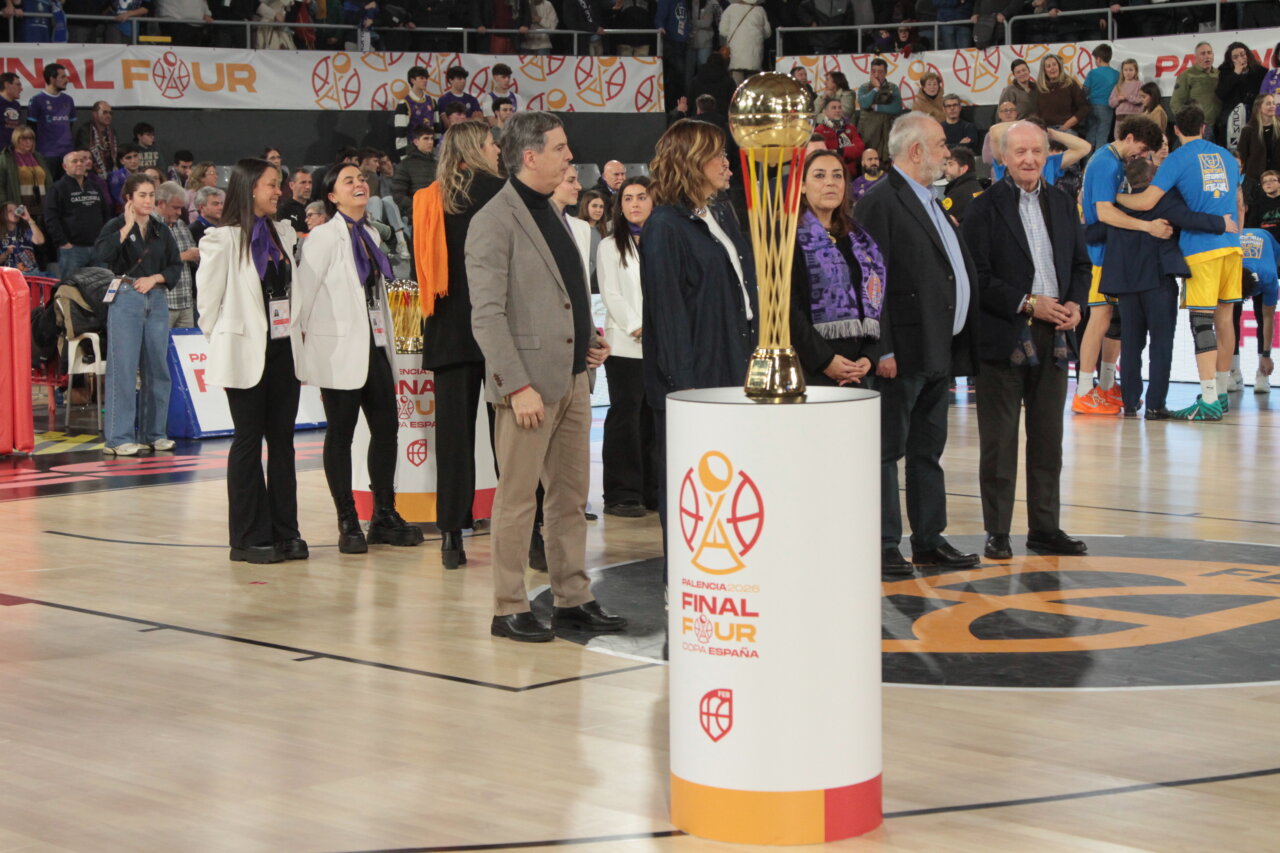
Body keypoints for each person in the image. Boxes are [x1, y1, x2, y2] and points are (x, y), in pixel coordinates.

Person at [465, 111, 622, 642]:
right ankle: (508, 605)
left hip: (574, 376)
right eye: (559, 149)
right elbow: (486, 314)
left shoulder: (555, 212)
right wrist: (516, 385)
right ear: (529, 156)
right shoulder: (494, 219)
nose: (568, 158)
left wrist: (589, 338)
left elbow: (559, 293)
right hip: (527, 387)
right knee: (517, 501)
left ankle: (572, 596)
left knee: (569, 498)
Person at [855, 113, 980, 579]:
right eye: (942, 144)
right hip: (901, 352)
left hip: (936, 348)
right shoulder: (880, 202)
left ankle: (929, 539)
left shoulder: (929, 199)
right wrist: (882, 348)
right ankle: (885, 544)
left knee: (928, 449)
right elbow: (871, 280)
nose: (948, 152)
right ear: (915, 151)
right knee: (888, 450)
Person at [962, 121, 1089, 561]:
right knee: (999, 443)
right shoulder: (983, 208)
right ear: (1002, 156)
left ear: (1046, 152)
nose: (1030, 159)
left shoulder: (1061, 201)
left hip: (1055, 336)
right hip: (1004, 337)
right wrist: (1027, 303)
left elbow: (1081, 265)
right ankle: (998, 531)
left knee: (1048, 439)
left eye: (1036, 151)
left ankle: (1045, 528)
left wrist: (1075, 304)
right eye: (1020, 152)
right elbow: (978, 277)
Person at [295, 163, 425, 553]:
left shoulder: (370, 233)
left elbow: (380, 295)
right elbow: (303, 297)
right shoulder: (322, 238)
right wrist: (304, 357)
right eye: (348, 181)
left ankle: (384, 511)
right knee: (341, 434)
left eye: (362, 179)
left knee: (388, 429)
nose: (359, 184)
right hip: (337, 349)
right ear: (332, 196)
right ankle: (347, 518)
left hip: (376, 344)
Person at [641, 119, 756, 536]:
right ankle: (686, 582)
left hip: (737, 363)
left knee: (737, 484)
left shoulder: (721, 212)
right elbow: (668, 314)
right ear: (692, 162)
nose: (728, 163)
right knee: (693, 488)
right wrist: (684, 388)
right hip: (695, 380)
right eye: (719, 155)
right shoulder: (664, 226)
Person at [196, 158, 305, 564]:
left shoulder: (283, 231)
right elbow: (207, 306)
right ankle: (247, 537)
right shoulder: (221, 239)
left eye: (279, 185)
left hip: (282, 350)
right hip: (245, 352)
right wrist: (228, 339)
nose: (280, 192)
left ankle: (285, 530)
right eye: (273, 185)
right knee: (247, 441)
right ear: (250, 188)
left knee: (283, 444)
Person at [1116, 105, 1243, 421]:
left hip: (1202, 249)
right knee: (1225, 319)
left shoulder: (1177, 159)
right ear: (1205, 127)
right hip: (1232, 246)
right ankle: (1223, 393)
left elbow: (1146, 201)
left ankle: (1209, 400)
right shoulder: (1227, 157)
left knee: (1202, 322)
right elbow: (1239, 201)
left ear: (1175, 130)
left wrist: (1111, 201)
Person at [415, 121, 504, 570]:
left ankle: (452, 534)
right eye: (492, 144)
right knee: (509, 438)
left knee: (453, 439)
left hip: (448, 329)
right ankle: (527, 536)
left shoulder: (429, 199)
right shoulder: (503, 193)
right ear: (476, 149)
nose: (498, 150)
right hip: (499, 330)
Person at [1087, 158, 1227, 419]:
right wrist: (1222, 224)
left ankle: (1129, 403)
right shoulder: (1164, 201)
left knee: (1131, 345)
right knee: (1160, 346)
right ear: (1154, 179)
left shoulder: (1114, 207)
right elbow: (1190, 218)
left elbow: (1092, 234)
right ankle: (1154, 405)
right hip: (1158, 283)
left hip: (1126, 285)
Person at [1075, 115, 1167, 416]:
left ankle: (1102, 385)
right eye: (1141, 149)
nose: (1140, 156)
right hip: (1099, 252)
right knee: (1099, 318)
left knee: (1109, 319)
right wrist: (1148, 228)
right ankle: (1084, 390)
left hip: (1107, 250)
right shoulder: (1106, 163)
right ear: (1129, 138)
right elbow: (1105, 214)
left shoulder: (1108, 160)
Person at [94, 173, 183, 456]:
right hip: (126, 298)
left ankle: (154, 433)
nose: (147, 200)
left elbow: (174, 266)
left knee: (158, 367)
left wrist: (155, 278)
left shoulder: (160, 229)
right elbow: (104, 253)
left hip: (156, 299)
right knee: (124, 367)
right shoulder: (115, 225)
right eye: (141, 195)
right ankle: (118, 438)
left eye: (150, 195)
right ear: (129, 198)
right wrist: (129, 225)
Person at [789, 149, 883, 391]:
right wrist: (825, 360)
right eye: (819, 176)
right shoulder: (788, 237)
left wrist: (869, 357)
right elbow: (788, 308)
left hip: (856, 370)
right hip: (811, 371)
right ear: (801, 186)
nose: (830, 182)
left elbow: (876, 298)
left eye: (837, 176)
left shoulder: (859, 238)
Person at [597, 175, 657, 518]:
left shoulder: (664, 239)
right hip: (625, 345)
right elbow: (612, 293)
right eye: (628, 199)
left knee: (652, 418)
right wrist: (638, 325)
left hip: (661, 345)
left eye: (641, 197)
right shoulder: (609, 245)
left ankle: (653, 490)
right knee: (626, 418)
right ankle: (622, 493)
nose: (634, 204)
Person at [45, 149, 110, 281]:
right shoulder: (57, 188)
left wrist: (104, 239)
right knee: (70, 288)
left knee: (102, 287)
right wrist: (63, 242)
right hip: (72, 249)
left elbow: (105, 213)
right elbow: (51, 218)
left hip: (97, 247)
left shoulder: (94, 187)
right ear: (65, 166)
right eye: (74, 161)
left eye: (82, 160)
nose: (80, 164)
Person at [153, 181, 199, 328]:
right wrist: (185, 256)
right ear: (161, 203)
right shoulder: (149, 226)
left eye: (181, 208)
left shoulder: (182, 225)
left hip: (185, 302)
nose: (179, 212)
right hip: (163, 303)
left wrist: (197, 256)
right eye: (175, 208)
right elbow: (151, 261)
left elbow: (194, 257)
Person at [986, 120, 1091, 184]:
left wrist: (1051, 133)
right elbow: (994, 131)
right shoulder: (1008, 162)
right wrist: (1026, 124)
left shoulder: (1049, 162)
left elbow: (1085, 148)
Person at [1239, 227, 1277, 393]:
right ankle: (1231, 372)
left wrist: (1267, 355)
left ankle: (1262, 374)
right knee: (1231, 316)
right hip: (1239, 240)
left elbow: (1269, 317)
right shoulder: (1225, 270)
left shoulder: (1269, 276)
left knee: (1261, 315)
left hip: (1268, 240)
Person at [1215, 41, 1266, 149]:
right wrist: (1236, 73)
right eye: (1235, 57)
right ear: (1230, 60)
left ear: (1247, 54)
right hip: (1232, 115)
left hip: (1254, 113)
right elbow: (1221, 93)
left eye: (1242, 54)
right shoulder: (1225, 71)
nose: (1240, 58)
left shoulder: (1260, 71)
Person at [27, 63, 74, 177]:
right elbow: (31, 127)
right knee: (48, 189)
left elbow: (71, 125)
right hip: (46, 154)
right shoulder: (37, 100)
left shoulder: (68, 100)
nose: (66, 80)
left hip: (67, 154)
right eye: (62, 77)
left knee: (66, 189)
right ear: (52, 79)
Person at [1171, 42, 1220, 143]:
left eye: (1209, 53)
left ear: (1213, 55)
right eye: (1203, 54)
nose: (1207, 56)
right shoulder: (1187, 75)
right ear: (1195, 58)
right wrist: (1186, 125)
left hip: (1220, 125)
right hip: (1199, 127)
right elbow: (1176, 103)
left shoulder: (1219, 73)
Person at [0, 126, 52, 220]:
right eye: (24, 138)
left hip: (42, 207)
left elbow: (48, 181)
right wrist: (5, 204)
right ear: (16, 139)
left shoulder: (38, 157)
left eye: (31, 138)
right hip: (19, 208)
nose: (28, 141)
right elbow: (1, 184)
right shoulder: (6, 158)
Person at [1238, 93, 1280, 206]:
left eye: (1273, 103)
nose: (1272, 106)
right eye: (1268, 104)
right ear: (1259, 107)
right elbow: (1241, 156)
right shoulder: (1248, 130)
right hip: (1255, 179)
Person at [857, 59, 903, 157]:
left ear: (886, 73)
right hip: (869, 132)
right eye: (873, 71)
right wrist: (876, 88)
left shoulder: (892, 88)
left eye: (880, 72)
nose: (876, 75)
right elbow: (864, 104)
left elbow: (897, 108)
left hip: (887, 132)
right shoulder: (863, 88)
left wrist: (877, 107)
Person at [719, 0, 771, 86]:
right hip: (754, 55)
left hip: (736, 54)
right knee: (752, 85)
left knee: (736, 85)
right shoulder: (760, 10)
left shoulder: (731, 9)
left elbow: (723, 31)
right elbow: (767, 33)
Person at [391, 127, 437, 219]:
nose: (430, 142)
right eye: (426, 138)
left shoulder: (437, 163)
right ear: (416, 142)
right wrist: (416, 209)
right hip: (418, 216)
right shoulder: (405, 165)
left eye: (432, 138)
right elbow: (398, 195)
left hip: (438, 213)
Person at [1036, 54, 1088, 135]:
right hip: (1046, 129)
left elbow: (1084, 107)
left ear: (1059, 66)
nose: (1052, 68)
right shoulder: (1040, 88)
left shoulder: (1070, 83)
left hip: (1066, 128)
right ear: (1044, 70)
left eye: (1054, 64)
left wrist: (1066, 126)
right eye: (1048, 66)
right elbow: (1037, 113)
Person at [814, 96, 865, 176]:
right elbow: (821, 153)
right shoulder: (819, 131)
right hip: (830, 173)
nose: (838, 110)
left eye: (839, 108)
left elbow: (860, 148)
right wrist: (850, 149)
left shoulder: (850, 128)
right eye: (834, 108)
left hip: (851, 174)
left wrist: (840, 152)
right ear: (825, 112)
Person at [394, 66, 436, 161]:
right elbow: (400, 134)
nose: (425, 81)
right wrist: (403, 157)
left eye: (426, 78)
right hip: (412, 153)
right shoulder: (404, 104)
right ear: (412, 80)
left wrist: (435, 150)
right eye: (421, 78)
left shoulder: (432, 102)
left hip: (430, 153)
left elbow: (436, 129)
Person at [1083, 44, 1119, 154]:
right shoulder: (1116, 74)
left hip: (1092, 106)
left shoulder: (1092, 73)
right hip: (1107, 108)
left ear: (1098, 59)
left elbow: (1084, 91)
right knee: (1102, 137)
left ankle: (1086, 165)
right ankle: (1098, 164)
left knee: (1090, 136)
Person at [74, 101, 117, 178]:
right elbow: (84, 154)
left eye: (110, 113)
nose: (108, 116)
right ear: (95, 114)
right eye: (105, 113)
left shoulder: (111, 132)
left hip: (111, 172)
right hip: (91, 173)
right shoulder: (86, 130)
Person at [0, 201, 45, 273]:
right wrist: (7, 253)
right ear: (3, 215)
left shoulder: (25, 231)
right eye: (10, 211)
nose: (14, 212)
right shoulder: (1, 235)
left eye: (15, 209)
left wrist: (29, 219)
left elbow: (40, 241)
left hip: (31, 273)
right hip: (10, 276)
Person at [942, 145, 982, 223]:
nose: (946, 168)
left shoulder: (957, 194)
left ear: (963, 169)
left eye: (951, 164)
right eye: (945, 164)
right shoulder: (977, 188)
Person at [1108, 59, 1145, 140]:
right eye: (1126, 70)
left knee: (1135, 140)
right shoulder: (1118, 86)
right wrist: (1118, 99)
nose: (1128, 72)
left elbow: (1141, 100)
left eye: (1131, 70)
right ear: (1122, 71)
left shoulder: (1139, 84)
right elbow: (1111, 103)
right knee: (1119, 140)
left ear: (1136, 71)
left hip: (1134, 118)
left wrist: (1127, 97)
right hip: (1120, 118)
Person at [107, 144, 142, 213]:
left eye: (135, 156)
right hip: (124, 213)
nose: (133, 161)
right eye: (128, 158)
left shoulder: (144, 174)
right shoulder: (116, 176)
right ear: (122, 161)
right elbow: (120, 200)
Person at [276, 167, 312, 235]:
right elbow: (283, 236)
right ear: (291, 185)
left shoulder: (317, 207)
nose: (308, 187)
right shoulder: (283, 209)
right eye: (303, 182)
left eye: (310, 182)